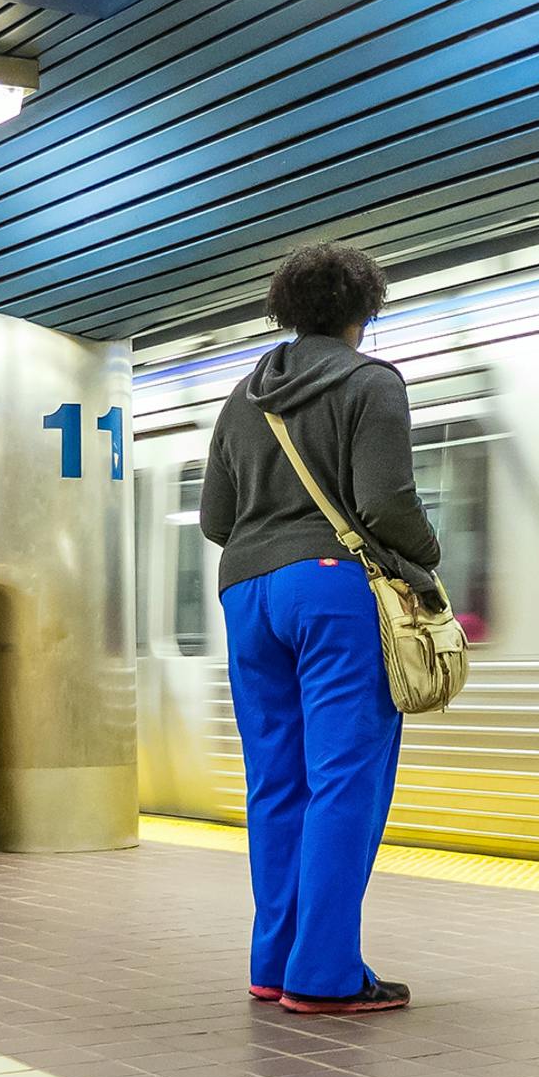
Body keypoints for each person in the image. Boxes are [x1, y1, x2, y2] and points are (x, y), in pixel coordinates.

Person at [196, 244, 440, 1016]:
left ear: (285, 312)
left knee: (278, 783)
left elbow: (213, 521)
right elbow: (386, 502)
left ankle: (274, 963)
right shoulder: (371, 383)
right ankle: (325, 974)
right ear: (364, 313)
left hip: (247, 596)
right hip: (332, 593)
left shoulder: (244, 396)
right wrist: (427, 558)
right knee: (344, 780)